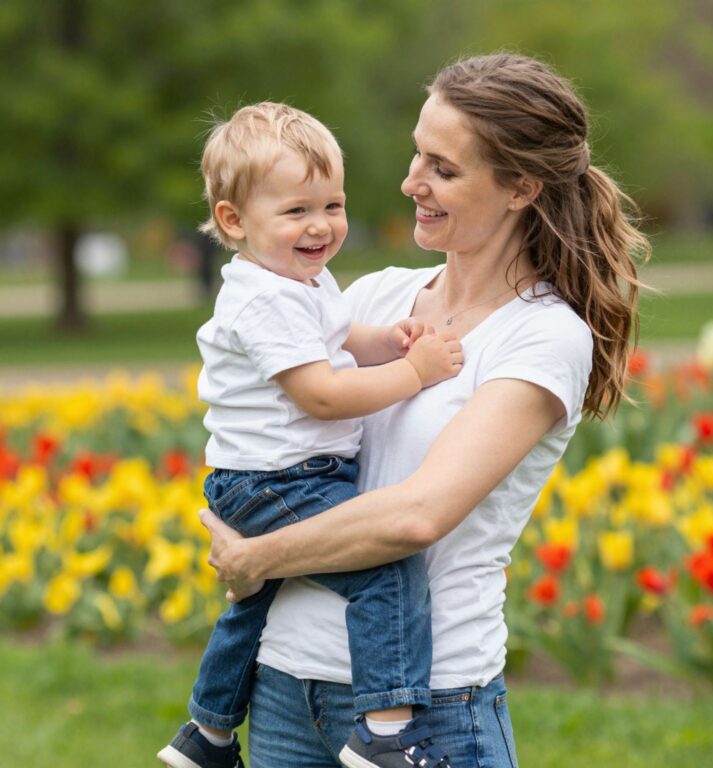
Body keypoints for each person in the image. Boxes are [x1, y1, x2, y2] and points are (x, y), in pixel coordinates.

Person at [200, 53, 650, 768]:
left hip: (430, 705)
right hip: (287, 687)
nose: (412, 182)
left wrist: (257, 555)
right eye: (417, 155)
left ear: (520, 188)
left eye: (442, 168)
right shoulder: (374, 298)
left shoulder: (539, 335)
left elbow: (418, 516)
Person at [158, 102, 463, 768]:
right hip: (277, 478)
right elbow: (322, 394)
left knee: (256, 593)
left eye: (333, 204)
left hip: (267, 476)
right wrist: (414, 371)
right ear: (234, 220)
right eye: (297, 211)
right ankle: (385, 732)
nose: (321, 226)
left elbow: (337, 335)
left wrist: (387, 341)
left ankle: (206, 735)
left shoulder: (297, 280)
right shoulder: (262, 298)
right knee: (383, 570)